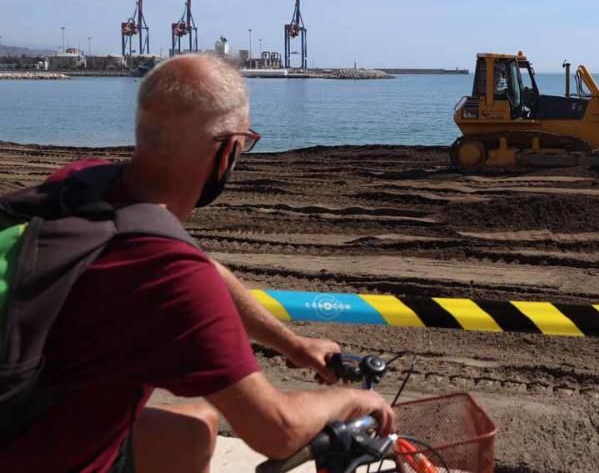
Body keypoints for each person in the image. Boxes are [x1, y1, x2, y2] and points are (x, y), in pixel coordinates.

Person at [0, 54, 395, 473]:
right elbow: (274, 429)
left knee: (195, 427)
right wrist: (352, 399)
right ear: (228, 152)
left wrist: (293, 346)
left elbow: (205, 269)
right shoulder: (167, 271)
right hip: (30, 448)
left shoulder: (81, 182)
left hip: (25, 407)